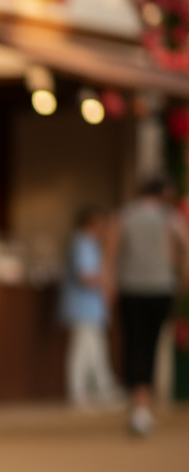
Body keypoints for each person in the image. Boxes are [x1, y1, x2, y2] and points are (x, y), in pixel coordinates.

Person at [110, 179, 189, 436]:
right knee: (152, 344)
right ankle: (142, 405)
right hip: (160, 287)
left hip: (130, 286)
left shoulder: (125, 215)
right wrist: (182, 280)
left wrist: (108, 281)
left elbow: (111, 249)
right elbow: (185, 249)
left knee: (133, 343)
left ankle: (137, 404)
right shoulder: (170, 217)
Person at [59, 206, 117, 409]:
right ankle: (78, 394)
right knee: (81, 351)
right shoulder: (81, 242)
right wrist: (105, 281)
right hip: (81, 307)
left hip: (91, 308)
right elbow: (85, 276)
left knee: (95, 350)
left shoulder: (90, 243)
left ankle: (99, 391)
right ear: (92, 222)